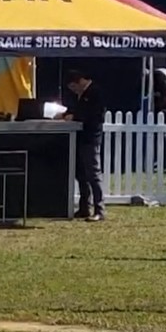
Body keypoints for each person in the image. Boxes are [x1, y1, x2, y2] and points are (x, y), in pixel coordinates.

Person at [61, 70, 106, 221]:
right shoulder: (81, 95)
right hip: (80, 137)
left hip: (90, 137)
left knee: (93, 174)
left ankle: (99, 209)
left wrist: (75, 116)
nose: (74, 91)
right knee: (81, 175)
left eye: (74, 88)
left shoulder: (95, 92)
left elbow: (94, 115)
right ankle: (84, 206)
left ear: (79, 81)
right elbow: (76, 109)